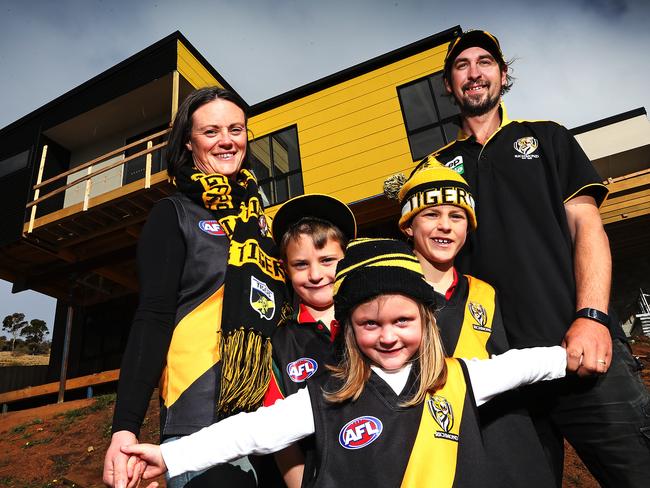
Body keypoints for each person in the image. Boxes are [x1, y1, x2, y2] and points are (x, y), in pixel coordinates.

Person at [121, 238, 569, 488]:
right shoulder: (327, 398)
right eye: (370, 324)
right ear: (350, 329)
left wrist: (570, 355)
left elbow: (524, 365)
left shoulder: (462, 377)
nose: (388, 335)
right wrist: (168, 455)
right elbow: (250, 431)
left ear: (426, 320)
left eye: (402, 320)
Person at [416, 30, 650, 486]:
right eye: (461, 66)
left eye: (485, 62)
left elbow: (587, 227)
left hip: (579, 352)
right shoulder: (436, 169)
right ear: (449, 85)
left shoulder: (547, 138)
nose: (474, 72)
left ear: (502, 76)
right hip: (499, 377)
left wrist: (593, 316)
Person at [102, 87, 290, 488]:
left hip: (276, 418)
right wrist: (125, 427)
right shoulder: (174, 214)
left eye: (236, 129)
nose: (226, 140)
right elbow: (152, 318)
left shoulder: (262, 224)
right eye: (211, 131)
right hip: (199, 418)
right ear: (189, 142)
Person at [384, 162, 555, 486]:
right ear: (407, 225)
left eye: (457, 216)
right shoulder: (388, 297)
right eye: (431, 214)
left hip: (507, 449)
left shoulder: (486, 293)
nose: (445, 226)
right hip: (429, 454)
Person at [261, 193, 356, 487]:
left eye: (327, 260)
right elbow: (279, 438)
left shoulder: (376, 321)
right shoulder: (278, 342)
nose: (316, 275)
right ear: (285, 270)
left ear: (347, 257)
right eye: (301, 264)